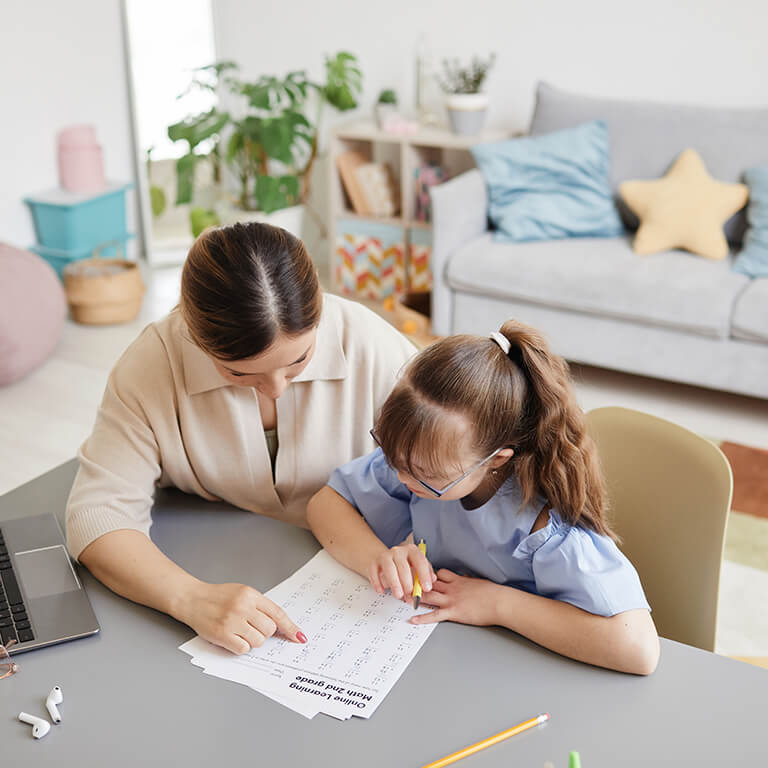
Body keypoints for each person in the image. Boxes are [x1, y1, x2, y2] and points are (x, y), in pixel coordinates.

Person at [65, 222, 415, 655]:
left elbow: (461, 463)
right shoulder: (153, 364)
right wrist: (188, 598)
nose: (276, 389)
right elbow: (97, 515)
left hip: (366, 574)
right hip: (219, 560)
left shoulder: (372, 346)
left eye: (299, 360)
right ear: (196, 338)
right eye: (239, 373)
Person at [307, 320, 660, 675]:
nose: (400, 477)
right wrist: (379, 558)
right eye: (394, 459)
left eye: (427, 474)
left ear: (496, 460)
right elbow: (325, 503)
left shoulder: (546, 526)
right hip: (443, 657)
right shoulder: (419, 463)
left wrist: (497, 604)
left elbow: (639, 649)